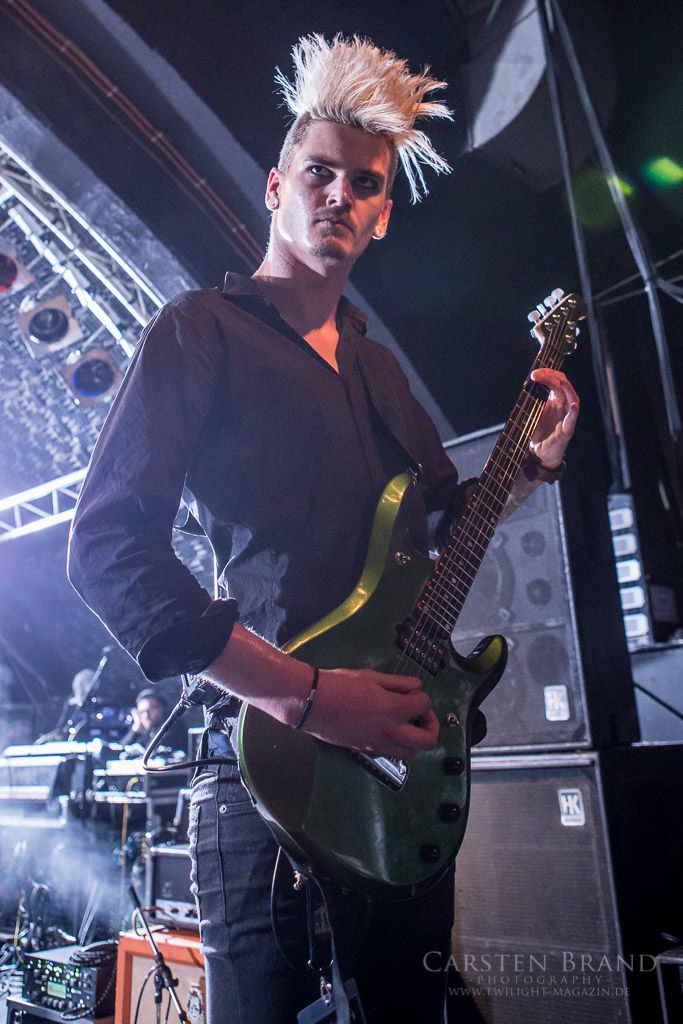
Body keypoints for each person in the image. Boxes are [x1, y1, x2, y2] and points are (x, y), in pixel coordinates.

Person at [67, 34, 579, 1024]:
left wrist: (532, 463)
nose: (340, 194)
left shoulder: (379, 367)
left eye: (364, 184)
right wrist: (305, 697)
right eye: (319, 173)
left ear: (383, 216)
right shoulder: (199, 331)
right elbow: (109, 548)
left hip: (394, 765)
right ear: (275, 187)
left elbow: (440, 525)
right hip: (266, 765)